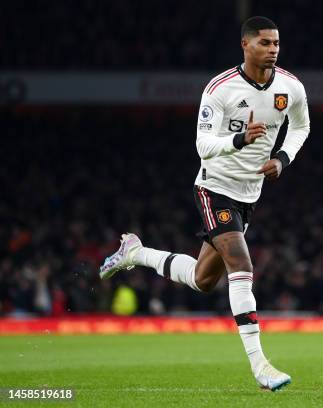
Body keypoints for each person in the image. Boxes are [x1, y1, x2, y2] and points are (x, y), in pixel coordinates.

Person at [99, 16, 309, 391]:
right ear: (245, 45)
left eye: (276, 43)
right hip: (215, 187)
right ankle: (261, 366)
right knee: (241, 265)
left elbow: (301, 126)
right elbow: (203, 145)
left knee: (202, 279)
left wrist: (282, 159)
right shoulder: (220, 89)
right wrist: (239, 142)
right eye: (265, 43)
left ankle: (136, 253)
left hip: (250, 194)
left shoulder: (291, 87)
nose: (273, 49)